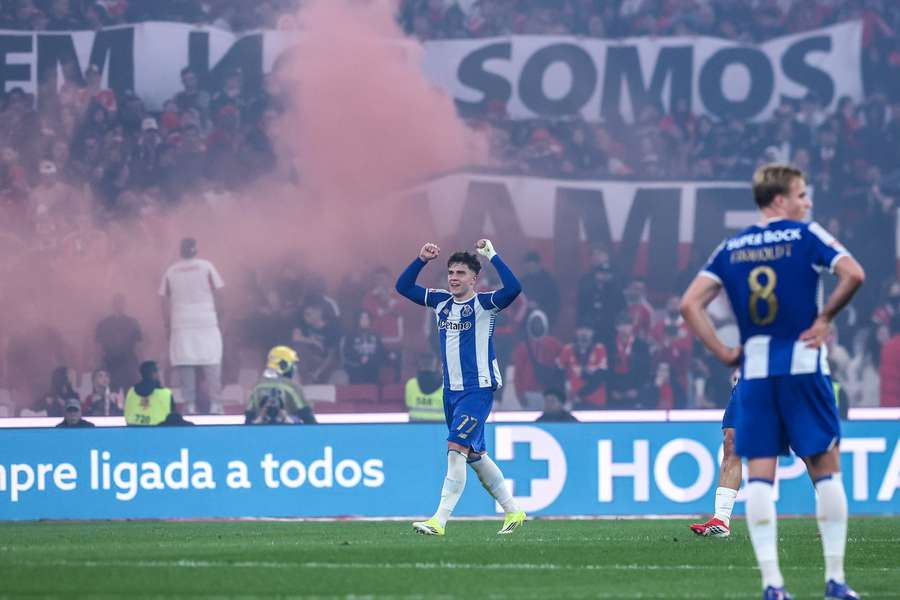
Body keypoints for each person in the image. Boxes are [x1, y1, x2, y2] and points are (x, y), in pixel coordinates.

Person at [680, 164, 865, 600]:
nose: (808, 202)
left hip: (756, 375)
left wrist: (724, 352)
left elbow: (690, 304)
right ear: (780, 199)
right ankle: (836, 582)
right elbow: (854, 273)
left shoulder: (733, 246)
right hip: (802, 367)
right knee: (825, 468)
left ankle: (772, 585)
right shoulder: (806, 235)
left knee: (761, 475)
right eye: (802, 195)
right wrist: (825, 319)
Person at [396, 239, 526, 536]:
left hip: (477, 389)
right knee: (474, 455)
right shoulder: (440, 301)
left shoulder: (484, 304)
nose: (454, 278)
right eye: (451, 272)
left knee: (455, 449)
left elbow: (514, 288)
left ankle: (439, 521)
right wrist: (420, 259)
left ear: (474, 279)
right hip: (451, 391)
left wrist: (492, 254)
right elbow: (403, 287)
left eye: (461, 273)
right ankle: (513, 510)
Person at [159, 237, 225, 413]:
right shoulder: (206, 266)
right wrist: (219, 317)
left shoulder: (171, 271)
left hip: (181, 323)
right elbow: (220, 294)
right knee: (212, 360)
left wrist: (167, 325)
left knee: (185, 362)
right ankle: (216, 404)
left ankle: (190, 405)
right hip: (206, 321)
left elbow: (163, 301)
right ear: (196, 249)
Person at [690, 371, 743, 538]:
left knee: (804, 447)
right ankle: (721, 519)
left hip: (787, 378)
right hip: (751, 379)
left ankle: (827, 515)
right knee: (731, 440)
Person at [246, 346, 316, 425]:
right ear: (283, 364)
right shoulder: (292, 387)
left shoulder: (256, 387)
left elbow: (248, 418)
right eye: (292, 364)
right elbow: (308, 417)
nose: (294, 368)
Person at [95, 293, 143, 393]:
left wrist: (139, 365)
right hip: (110, 362)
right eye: (117, 303)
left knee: (130, 392)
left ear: (124, 305)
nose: (119, 305)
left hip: (129, 363)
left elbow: (139, 346)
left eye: (121, 303)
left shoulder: (132, 322)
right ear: (113, 305)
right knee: (111, 392)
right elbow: (98, 347)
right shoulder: (104, 324)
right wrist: (100, 364)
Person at [124, 361, 174, 426]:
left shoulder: (131, 392)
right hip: (158, 432)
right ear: (155, 374)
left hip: (133, 432)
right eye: (159, 371)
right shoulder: (166, 394)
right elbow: (173, 417)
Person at [405, 352, 444, 422]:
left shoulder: (410, 384)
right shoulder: (445, 385)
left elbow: (408, 404)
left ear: (419, 365)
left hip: (415, 426)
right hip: (439, 427)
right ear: (437, 365)